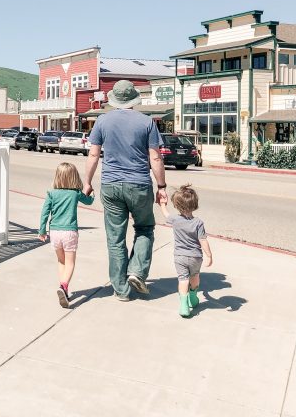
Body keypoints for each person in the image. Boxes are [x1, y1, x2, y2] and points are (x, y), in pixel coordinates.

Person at [84, 79, 168, 301]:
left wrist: (87, 182)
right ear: (133, 99)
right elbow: (155, 157)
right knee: (145, 228)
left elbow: (93, 155)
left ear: (114, 100)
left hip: (111, 185)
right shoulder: (147, 122)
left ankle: (121, 289)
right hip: (139, 184)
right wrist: (161, 186)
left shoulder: (102, 121)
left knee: (115, 238)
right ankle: (137, 271)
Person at [38, 162, 95, 308]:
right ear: (74, 177)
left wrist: (42, 231)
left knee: (61, 261)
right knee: (70, 263)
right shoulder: (75, 193)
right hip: (69, 232)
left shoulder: (51, 193)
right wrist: (91, 193)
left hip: (55, 232)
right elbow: (89, 201)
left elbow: (45, 213)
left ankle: (64, 289)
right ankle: (63, 286)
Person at [160, 184, 213, 318]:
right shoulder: (198, 222)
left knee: (183, 280)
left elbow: (166, 214)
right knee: (194, 276)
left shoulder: (175, 220)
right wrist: (209, 255)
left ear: (177, 205)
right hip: (195, 257)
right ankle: (193, 297)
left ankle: (184, 305)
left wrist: (162, 204)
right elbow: (203, 240)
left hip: (180, 257)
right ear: (195, 204)